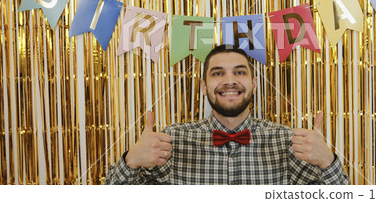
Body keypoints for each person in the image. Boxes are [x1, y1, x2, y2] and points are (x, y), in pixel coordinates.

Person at [104, 44, 349, 185]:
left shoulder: (289, 142)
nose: (229, 81)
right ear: (203, 86)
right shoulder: (170, 141)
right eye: (218, 73)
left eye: (239, 72)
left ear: (254, 83)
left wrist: (328, 162)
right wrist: (131, 161)